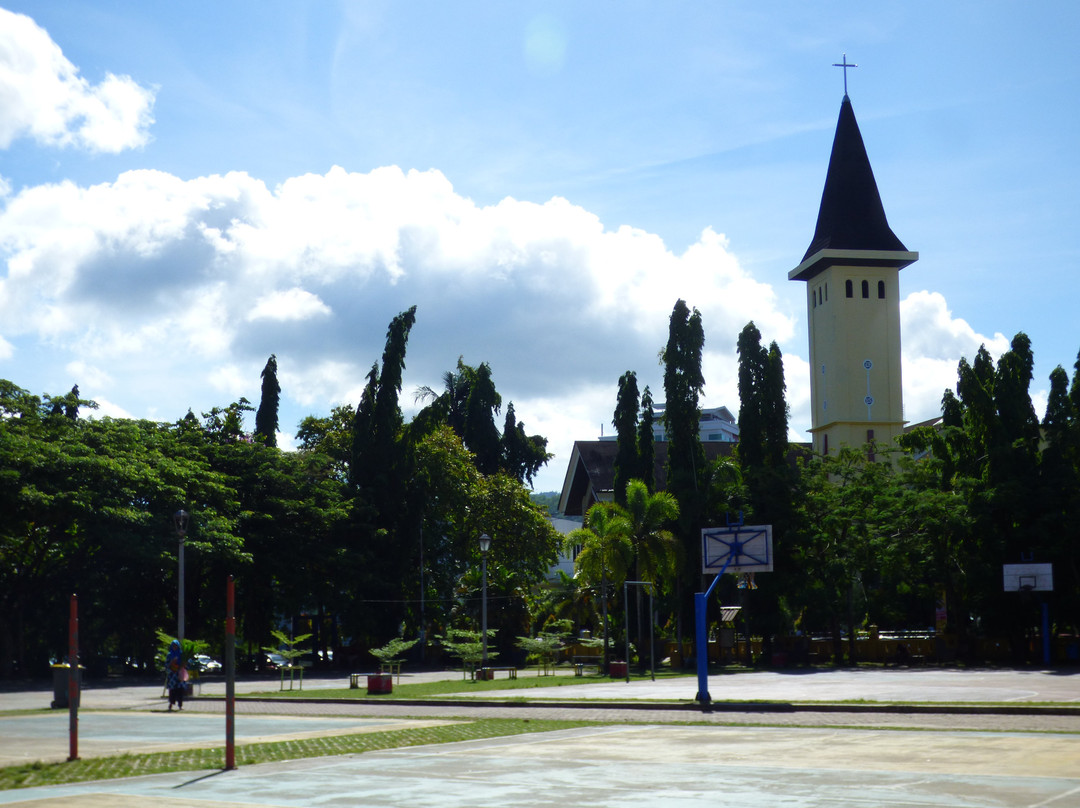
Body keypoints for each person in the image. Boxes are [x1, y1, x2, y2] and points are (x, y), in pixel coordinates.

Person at [165, 639, 187, 711]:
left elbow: (186, 664)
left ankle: (180, 705)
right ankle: (171, 704)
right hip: (172, 676)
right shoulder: (169, 655)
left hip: (180, 675)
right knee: (172, 691)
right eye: (173, 646)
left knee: (180, 690)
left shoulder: (181, 654)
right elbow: (166, 665)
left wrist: (184, 665)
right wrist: (171, 662)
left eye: (176, 646)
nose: (175, 647)